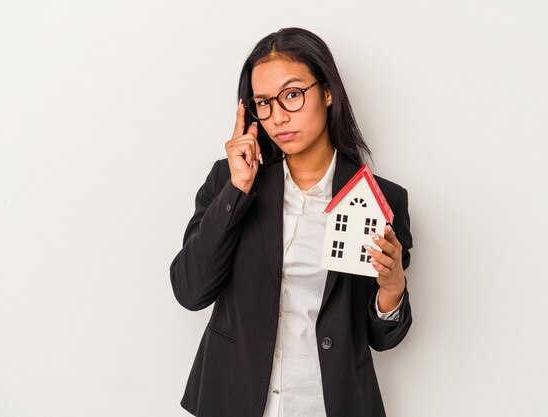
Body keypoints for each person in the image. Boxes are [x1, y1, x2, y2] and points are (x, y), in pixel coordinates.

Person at [170, 27, 413, 417]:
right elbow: (190, 291)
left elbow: (381, 338)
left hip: (328, 405)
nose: (278, 116)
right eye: (263, 103)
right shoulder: (229, 181)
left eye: (293, 95)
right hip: (233, 401)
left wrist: (392, 287)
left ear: (328, 91)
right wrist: (238, 190)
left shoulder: (379, 199)